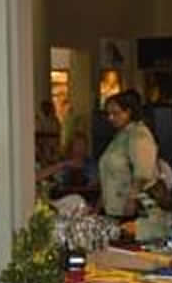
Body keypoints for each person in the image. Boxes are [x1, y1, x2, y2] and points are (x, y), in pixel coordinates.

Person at [99, 90, 161, 219]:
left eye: (116, 113)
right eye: (108, 114)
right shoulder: (120, 136)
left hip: (132, 209)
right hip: (115, 206)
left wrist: (132, 200)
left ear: (128, 112)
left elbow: (143, 173)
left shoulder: (139, 134)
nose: (110, 118)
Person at [37, 131, 99, 196]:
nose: (81, 148)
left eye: (83, 145)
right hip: (63, 198)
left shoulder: (91, 164)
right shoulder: (62, 162)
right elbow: (40, 176)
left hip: (85, 198)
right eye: (77, 144)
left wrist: (94, 183)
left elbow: (95, 184)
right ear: (71, 146)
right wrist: (63, 164)